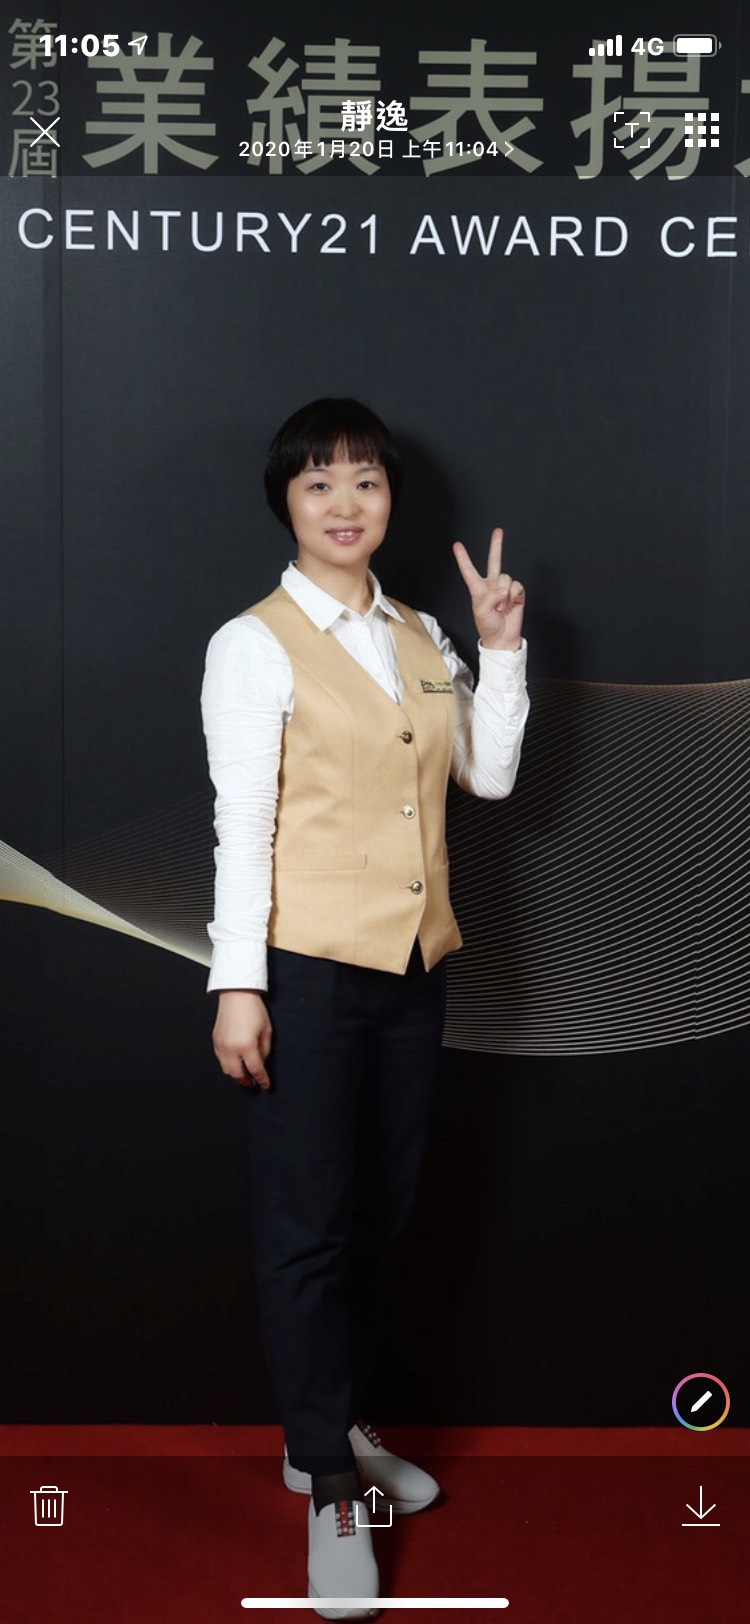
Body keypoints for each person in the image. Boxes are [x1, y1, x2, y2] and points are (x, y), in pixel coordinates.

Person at [200, 397, 529, 1619]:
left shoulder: (422, 631)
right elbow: (244, 825)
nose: (346, 504)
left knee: (381, 1216)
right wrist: (238, 983)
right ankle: (331, 1488)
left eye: (367, 482)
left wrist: (499, 649)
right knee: (308, 1225)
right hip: (307, 971)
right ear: (286, 503)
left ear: (391, 499)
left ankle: (330, 1426)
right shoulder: (253, 645)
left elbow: (488, 776)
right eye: (320, 483)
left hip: (415, 968)